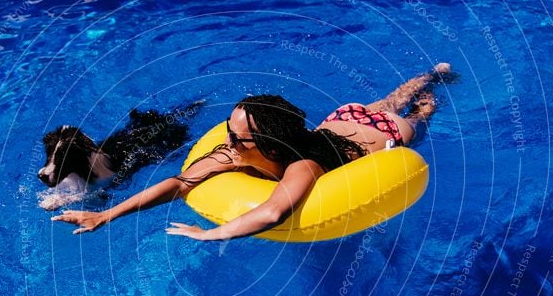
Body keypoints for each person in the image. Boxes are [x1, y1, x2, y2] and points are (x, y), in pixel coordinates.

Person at [52, 63, 452, 240]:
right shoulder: (231, 153)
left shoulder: (304, 165)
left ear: (267, 145)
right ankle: (429, 76)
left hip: (380, 136)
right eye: (228, 130)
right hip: (341, 118)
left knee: (415, 113)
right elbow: (178, 183)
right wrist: (107, 214)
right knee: (386, 98)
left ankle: (432, 83)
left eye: (238, 137)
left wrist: (213, 235)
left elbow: (274, 210)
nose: (227, 142)